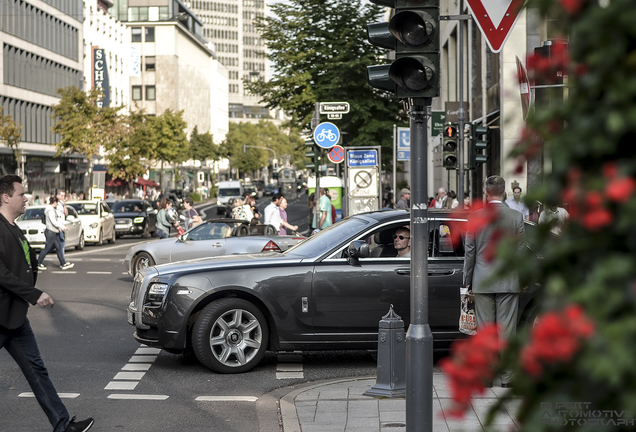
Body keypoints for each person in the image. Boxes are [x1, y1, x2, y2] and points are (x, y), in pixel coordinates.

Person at [0, 175, 94, 432]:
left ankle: (63, 425)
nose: (26, 198)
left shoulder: (14, 227)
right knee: (37, 370)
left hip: (14, 317)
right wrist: (34, 293)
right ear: (6, 197)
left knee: (36, 370)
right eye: (21, 194)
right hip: (2, 315)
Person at [463, 175, 526, 388]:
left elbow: (469, 252)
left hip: (482, 279)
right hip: (509, 280)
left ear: (486, 193)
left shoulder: (475, 217)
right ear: (505, 192)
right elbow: (521, 251)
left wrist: (467, 280)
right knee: (507, 330)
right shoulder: (516, 217)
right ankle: (508, 378)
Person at [37, 196, 73, 271]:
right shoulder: (50, 210)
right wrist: (63, 227)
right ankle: (38, 263)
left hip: (54, 231)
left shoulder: (50, 209)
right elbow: (54, 222)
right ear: (55, 202)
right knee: (47, 248)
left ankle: (63, 263)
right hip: (51, 232)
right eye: (56, 203)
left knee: (59, 247)